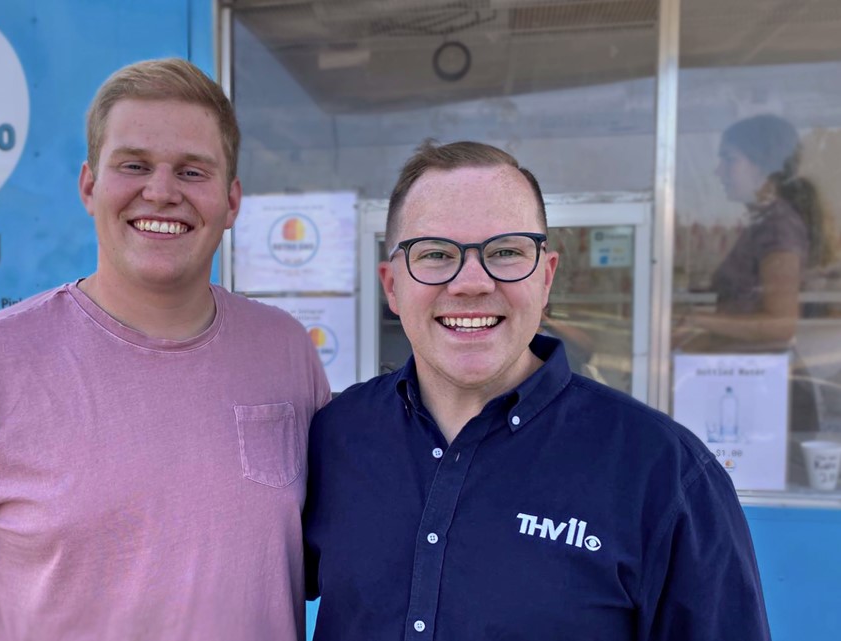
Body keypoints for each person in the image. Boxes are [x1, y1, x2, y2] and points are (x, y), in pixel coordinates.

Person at [0, 58, 330, 640]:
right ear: (89, 186)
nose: (160, 192)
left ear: (232, 202)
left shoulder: (285, 351)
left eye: (192, 172)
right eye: (134, 165)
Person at [303, 140, 770, 640]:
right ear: (392, 285)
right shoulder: (335, 437)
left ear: (546, 278)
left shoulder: (664, 473)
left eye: (505, 252)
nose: (471, 283)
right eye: (436, 254)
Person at [679, 114, 835, 352]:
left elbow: (781, 324)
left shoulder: (778, 228)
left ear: (763, 166)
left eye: (729, 160)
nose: (718, 172)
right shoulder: (764, 221)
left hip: (758, 374)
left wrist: (696, 320)